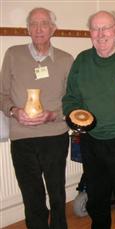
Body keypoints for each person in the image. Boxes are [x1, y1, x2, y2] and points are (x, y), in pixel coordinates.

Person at [62, 10, 115, 229]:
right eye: (95, 29)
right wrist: (73, 115)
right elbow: (71, 97)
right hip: (92, 142)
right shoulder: (82, 60)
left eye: (105, 27)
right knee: (97, 199)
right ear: (90, 33)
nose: (100, 34)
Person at [0, 7, 74, 229]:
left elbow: (72, 102)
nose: (38, 28)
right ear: (27, 29)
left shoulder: (66, 59)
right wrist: (14, 110)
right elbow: (2, 94)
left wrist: (53, 115)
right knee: (32, 195)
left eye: (44, 23)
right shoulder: (13, 54)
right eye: (33, 23)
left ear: (53, 29)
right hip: (22, 138)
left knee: (57, 193)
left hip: (54, 136)